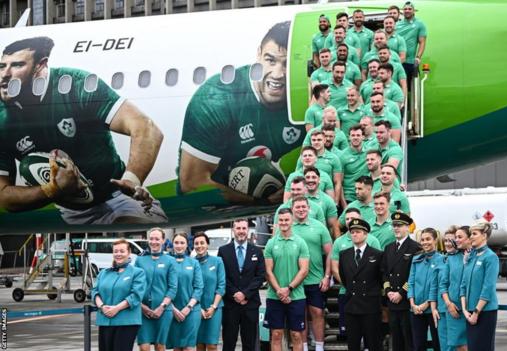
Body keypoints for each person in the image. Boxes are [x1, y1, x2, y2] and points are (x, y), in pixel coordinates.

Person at [0, 36, 167, 225]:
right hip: (74, 210)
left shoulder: (77, 85)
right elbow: (4, 197)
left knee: (129, 222)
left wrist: (131, 179)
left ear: (41, 65)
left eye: (17, 65)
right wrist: (52, 189)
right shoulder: (2, 118)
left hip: (121, 195)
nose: (5, 74)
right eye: (2, 66)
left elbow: (147, 128)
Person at [178, 22, 303, 204]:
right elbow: (191, 184)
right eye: (271, 60)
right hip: (221, 198)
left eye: (287, 64)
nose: (278, 74)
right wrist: (260, 202)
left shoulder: (308, 97)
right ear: (258, 54)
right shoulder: (217, 100)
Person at [288, 196, 333, 351]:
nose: (301, 209)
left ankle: (319, 347)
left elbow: (330, 254)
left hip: (315, 278)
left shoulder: (320, 227)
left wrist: (327, 276)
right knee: (301, 314)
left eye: (303, 207)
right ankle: (304, 347)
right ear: (292, 209)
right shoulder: (288, 227)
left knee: (317, 312)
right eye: (297, 207)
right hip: (294, 282)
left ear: (308, 208)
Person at [331, 208, 382, 339]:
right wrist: (350, 286)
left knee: (372, 338)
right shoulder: (341, 246)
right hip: (349, 295)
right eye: (347, 219)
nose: (350, 222)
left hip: (369, 298)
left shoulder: (373, 242)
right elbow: (338, 270)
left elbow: (379, 272)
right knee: (352, 337)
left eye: (357, 231)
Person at [263, 208, 310, 351]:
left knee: (296, 335)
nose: (283, 223)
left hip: (296, 296)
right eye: (281, 220)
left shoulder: (301, 242)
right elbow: (268, 271)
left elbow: (304, 270)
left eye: (286, 220)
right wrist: (279, 291)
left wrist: (288, 289)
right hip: (274, 296)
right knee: (276, 334)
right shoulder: (271, 243)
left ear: (292, 221)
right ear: (278, 222)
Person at [218, 219, 266, 351]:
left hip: (250, 304)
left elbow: (260, 276)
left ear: (248, 230)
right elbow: (222, 277)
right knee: (228, 342)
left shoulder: (256, 251)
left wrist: (245, 294)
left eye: (244, 228)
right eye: (238, 228)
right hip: (230, 304)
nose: (241, 231)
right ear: (233, 230)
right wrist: (235, 294)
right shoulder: (223, 251)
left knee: (249, 343)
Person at [92, 239, 147, 351]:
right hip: (105, 320)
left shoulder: (137, 272)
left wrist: (116, 308)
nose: (118, 254)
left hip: (126, 322)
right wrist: (102, 306)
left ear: (128, 252)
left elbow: (136, 295)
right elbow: (94, 291)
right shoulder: (104, 273)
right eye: (116, 251)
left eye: (122, 251)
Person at [339, 218, 384, 351]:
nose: (354, 234)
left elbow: (380, 278)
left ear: (366, 234)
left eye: (358, 232)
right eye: (352, 232)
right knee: (353, 344)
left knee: (374, 343)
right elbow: (344, 278)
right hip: (352, 305)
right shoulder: (344, 255)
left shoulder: (377, 254)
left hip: (370, 306)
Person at [382, 212, 422, 351]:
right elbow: (385, 273)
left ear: (407, 227)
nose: (396, 228)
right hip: (392, 301)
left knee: (409, 339)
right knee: (396, 339)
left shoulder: (415, 248)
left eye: (400, 225)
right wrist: (388, 291)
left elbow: (415, 275)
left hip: (406, 301)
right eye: (394, 225)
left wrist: (401, 292)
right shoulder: (389, 248)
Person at [135, 228, 178, 351]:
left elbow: (173, 287)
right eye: (151, 238)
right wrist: (142, 307)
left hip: (163, 310)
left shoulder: (170, 260)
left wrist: (162, 307)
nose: (154, 242)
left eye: (157, 239)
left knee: (160, 346)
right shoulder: (140, 260)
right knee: (144, 347)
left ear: (163, 240)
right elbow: (135, 285)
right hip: (143, 310)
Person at [460, 221, 499, 351]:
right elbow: (463, 284)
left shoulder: (491, 257)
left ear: (484, 235)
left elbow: (488, 288)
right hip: (470, 312)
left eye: (474, 234)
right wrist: (465, 310)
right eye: (470, 234)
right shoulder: (471, 256)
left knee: (483, 347)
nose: (471, 237)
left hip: (484, 312)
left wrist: (476, 312)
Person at [166, 233, 204, 351]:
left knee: (188, 348)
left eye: (182, 243)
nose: (179, 245)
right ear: (172, 244)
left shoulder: (194, 263)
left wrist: (188, 307)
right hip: (171, 309)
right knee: (176, 347)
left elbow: (199, 288)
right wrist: (172, 308)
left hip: (191, 310)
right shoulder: (167, 262)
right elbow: (163, 287)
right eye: (176, 242)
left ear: (187, 244)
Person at [407, 227, 442, 351]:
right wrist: (413, 304)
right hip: (416, 310)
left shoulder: (442, 260)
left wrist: (425, 304)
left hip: (433, 309)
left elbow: (438, 286)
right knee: (418, 345)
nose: (425, 242)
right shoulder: (416, 259)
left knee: (438, 344)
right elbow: (410, 282)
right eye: (422, 240)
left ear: (435, 240)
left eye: (428, 239)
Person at [193, 232, 225, 351]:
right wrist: (198, 307)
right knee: (199, 345)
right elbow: (190, 288)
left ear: (207, 245)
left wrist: (214, 306)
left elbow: (221, 286)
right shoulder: (191, 263)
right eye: (196, 243)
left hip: (215, 308)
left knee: (212, 345)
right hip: (196, 309)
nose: (199, 246)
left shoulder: (217, 261)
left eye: (202, 243)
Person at [439, 226, 469, 351]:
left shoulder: (470, 257)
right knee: (456, 345)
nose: (455, 241)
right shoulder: (450, 259)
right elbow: (443, 285)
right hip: (453, 309)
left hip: (470, 308)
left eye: (457, 238)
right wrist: (449, 304)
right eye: (454, 238)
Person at [303, 167, 341, 238]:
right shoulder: (297, 199)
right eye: (307, 177)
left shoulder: (328, 200)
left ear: (319, 180)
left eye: (314, 177)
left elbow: (334, 227)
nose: (310, 180)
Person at [396, 1, 428, 83]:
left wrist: (418, 57)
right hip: (398, 61)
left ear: (414, 11)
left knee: (410, 87)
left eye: (410, 9)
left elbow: (422, 42)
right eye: (405, 9)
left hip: (410, 62)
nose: (407, 10)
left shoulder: (419, 24)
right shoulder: (397, 24)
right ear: (403, 11)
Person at [339, 124, 369, 206]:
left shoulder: (369, 153)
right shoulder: (342, 156)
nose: (355, 137)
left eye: (358, 135)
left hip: (367, 196)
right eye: (353, 135)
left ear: (363, 137)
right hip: (349, 197)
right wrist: (344, 205)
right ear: (349, 137)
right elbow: (339, 182)